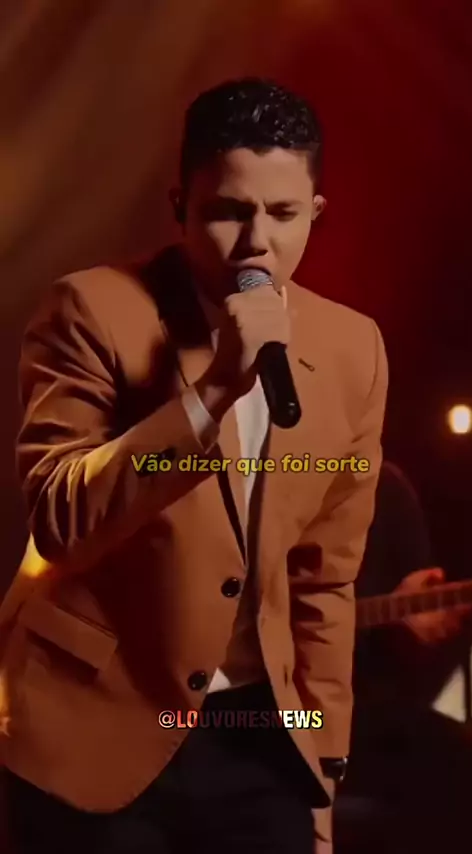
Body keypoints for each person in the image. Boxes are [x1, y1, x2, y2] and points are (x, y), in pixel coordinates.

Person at [0, 78, 387, 854]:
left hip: (258, 734)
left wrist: (324, 767)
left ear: (315, 212)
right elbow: (61, 518)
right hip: (94, 730)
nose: (256, 242)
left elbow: (324, 579)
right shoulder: (89, 310)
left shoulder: (354, 348)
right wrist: (214, 391)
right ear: (181, 206)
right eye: (228, 211)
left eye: (282, 214)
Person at [334, 461, 472, 853]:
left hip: (361, 714)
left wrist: (412, 634)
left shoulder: (386, 488)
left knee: (456, 764)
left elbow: (408, 660)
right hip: (259, 713)